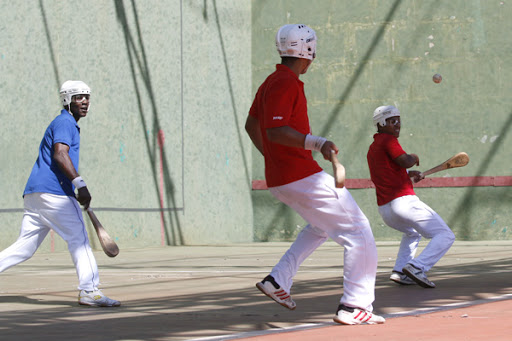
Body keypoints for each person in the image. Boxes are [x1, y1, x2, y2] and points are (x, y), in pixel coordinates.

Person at [245, 24, 384, 325]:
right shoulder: (286, 83)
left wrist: (272, 158)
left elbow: (251, 125)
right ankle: (354, 306)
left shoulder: (270, 82)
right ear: (308, 52)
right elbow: (276, 130)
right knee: (359, 232)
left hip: (283, 178)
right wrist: (317, 143)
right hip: (300, 175)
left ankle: (278, 280)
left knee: (321, 227)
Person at [0, 80, 120, 307]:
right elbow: (60, 154)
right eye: (78, 97)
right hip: (55, 193)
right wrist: (80, 184)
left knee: (23, 247)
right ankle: (89, 291)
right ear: (67, 100)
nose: (84, 101)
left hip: (35, 194)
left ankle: (89, 290)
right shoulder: (65, 122)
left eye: (86, 97)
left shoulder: (64, 123)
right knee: (80, 240)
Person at [367, 105, 455, 288]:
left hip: (386, 209)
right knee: (445, 235)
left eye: (398, 119)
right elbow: (405, 160)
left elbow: (389, 174)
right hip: (404, 202)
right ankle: (417, 267)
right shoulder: (388, 140)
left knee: (412, 233)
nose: (398, 124)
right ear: (381, 123)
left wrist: (408, 176)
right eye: (392, 121)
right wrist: (413, 157)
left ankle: (400, 272)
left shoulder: (373, 148)